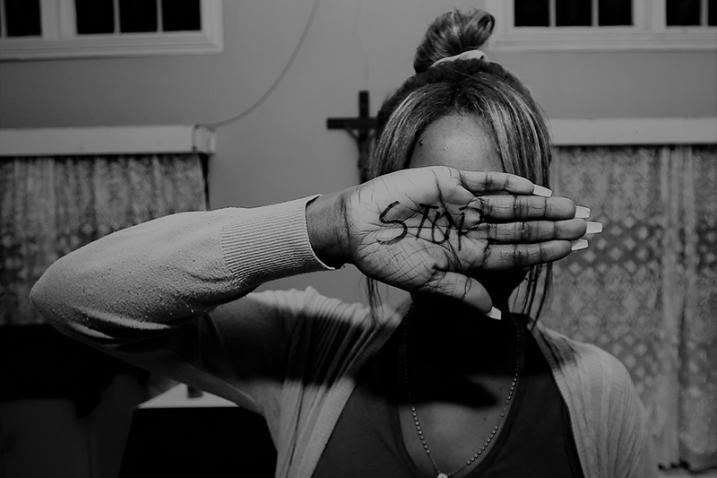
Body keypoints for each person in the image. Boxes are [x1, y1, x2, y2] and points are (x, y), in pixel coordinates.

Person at [30, 9, 656, 478]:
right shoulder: (307, 356)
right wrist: (328, 226)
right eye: (439, 207)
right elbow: (68, 297)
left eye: (497, 206)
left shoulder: (597, 390)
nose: (462, 241)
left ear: (540, 216)